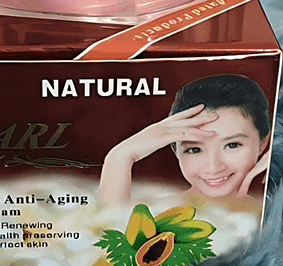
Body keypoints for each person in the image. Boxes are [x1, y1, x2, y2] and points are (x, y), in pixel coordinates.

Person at [98, 74, 272, 208]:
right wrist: (120, 156)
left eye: (232, 145)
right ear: (176, 151)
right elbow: (106, 234)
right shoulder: (153, 214)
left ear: (263, 143)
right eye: (194, 149)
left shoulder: (274, 215)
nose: (213, 167)